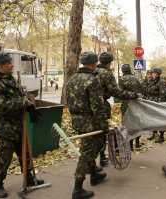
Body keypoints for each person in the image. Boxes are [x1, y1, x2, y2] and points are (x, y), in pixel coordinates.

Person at [0, 52, 44, 198]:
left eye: (10, 62)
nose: (11, 65)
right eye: (8, 63)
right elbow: (1, 106)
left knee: (24, 154)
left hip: (19, 125)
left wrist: (29, 104)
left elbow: (20, 96)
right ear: (0, 66)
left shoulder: (11, 80)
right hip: (6, 128)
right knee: (4, 157)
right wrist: (23, 102)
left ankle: (30, 179)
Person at [66, 52, 107, 199]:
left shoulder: (71, 79)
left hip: (77, 120)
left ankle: (94, 174)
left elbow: (68, 102)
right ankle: (78, 188)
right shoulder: (92, 80)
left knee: (90, 148)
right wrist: (104, 125)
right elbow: (97, 107)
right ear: (94, 63)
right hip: (91, 122)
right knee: (87, 153)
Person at [96, 52, 138, 166]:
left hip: (89, 107)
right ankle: (102, 158)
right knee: (103, 132)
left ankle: (92, 163)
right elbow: (117, 92)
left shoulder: (92, 71)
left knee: (93, 133)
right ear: (110, 63)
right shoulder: (107, 74)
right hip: (101, 107)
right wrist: (134, 95)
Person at [118, 64, 142, 151]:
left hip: (126, 104)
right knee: (136, 122)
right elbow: (141, 90)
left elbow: (119, 93)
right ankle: (138, 143)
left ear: (123, 71)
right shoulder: (136, 78)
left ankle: (130, 145)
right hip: (136, 104)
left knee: (127, 124)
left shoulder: (122, 79)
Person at [145, 67, 166, 143]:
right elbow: (148, 92)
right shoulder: (150, 81)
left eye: (155, 73)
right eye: (152, 73)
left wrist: (159, 104)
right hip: (151, 104)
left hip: (158, 104)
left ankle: (161, 136)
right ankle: (154, 134)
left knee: (160, 120)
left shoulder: (161, 82)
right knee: (152, 120)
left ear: (158, 74)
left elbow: (163, 95)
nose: (153, 74)